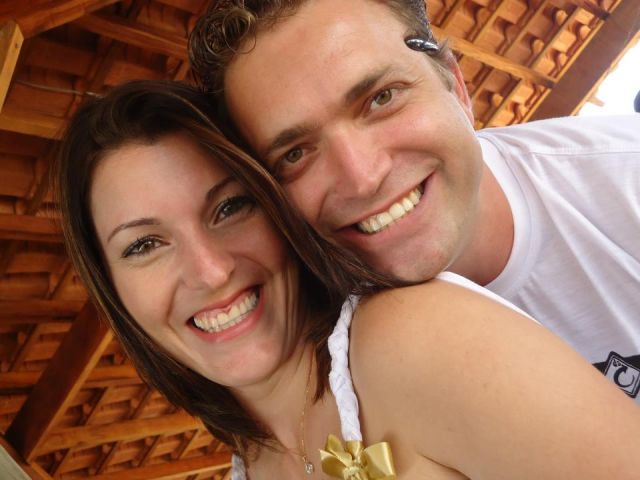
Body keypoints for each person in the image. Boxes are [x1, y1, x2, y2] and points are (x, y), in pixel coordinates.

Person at [54, 80, 640, 480]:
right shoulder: (250, 465)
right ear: (113, 290)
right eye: (144, 245)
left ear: (278, 210)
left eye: (229, 208)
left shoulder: (417, 340)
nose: (210, 271)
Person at [188, 0, 640, 399]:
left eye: (381, 98)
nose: (362, 178)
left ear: (455, 86)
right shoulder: (322, 357)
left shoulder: (624, 175)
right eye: (294, 154)